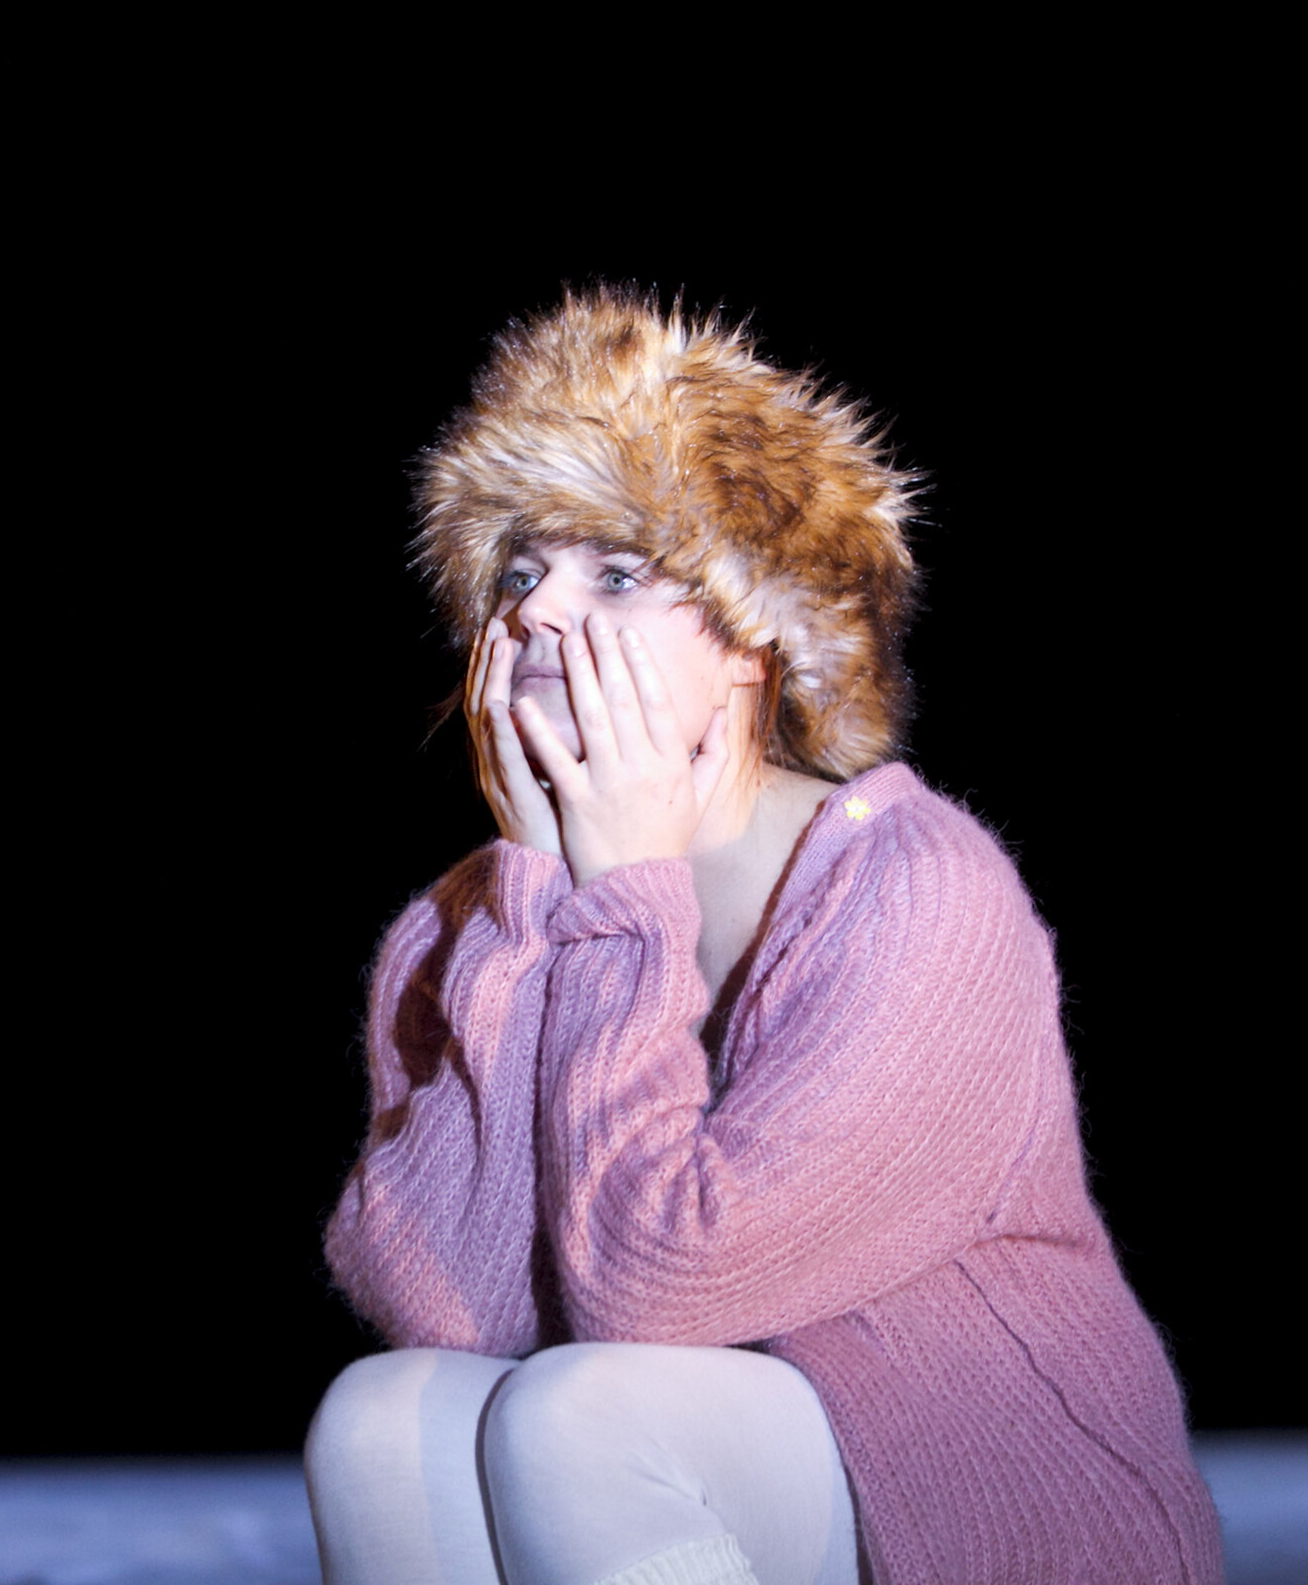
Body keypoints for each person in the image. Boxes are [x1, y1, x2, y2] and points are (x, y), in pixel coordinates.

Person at [305, 290, 1223, 1585]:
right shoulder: (464, 922)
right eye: (515, 573)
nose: (534, 614)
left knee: (582, 1416)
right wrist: (534, 903)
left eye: (615, 572)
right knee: (380, 1418)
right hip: (702, 1470)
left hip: (988, 1516)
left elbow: (659, 1290)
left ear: (754, 642)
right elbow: (450, 1306)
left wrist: (624, 901)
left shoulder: (919, 892)